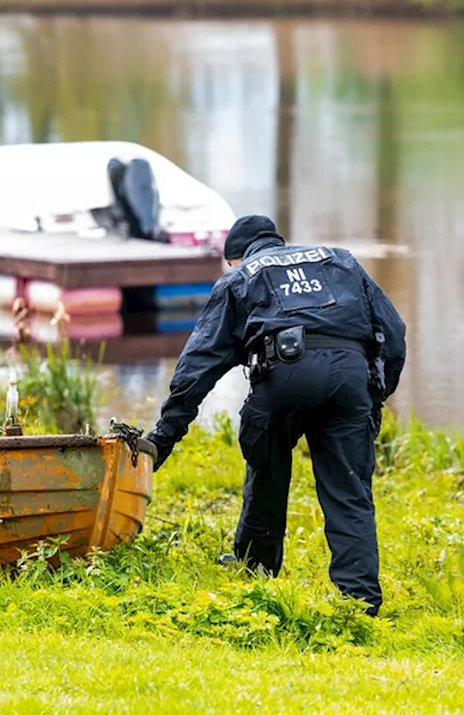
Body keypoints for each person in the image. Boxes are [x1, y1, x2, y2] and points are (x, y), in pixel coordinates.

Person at [144, 214, 407, 616]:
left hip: (283, 372)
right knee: (350, 490)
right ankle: (359, 601)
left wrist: (163, 438)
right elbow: (393, 330)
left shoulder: (240, 276)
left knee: (266, 467)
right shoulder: (340, 261)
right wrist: (375, 395)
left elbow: (197, 367)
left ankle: (257, 569)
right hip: (348, 376)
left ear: (233, 257)